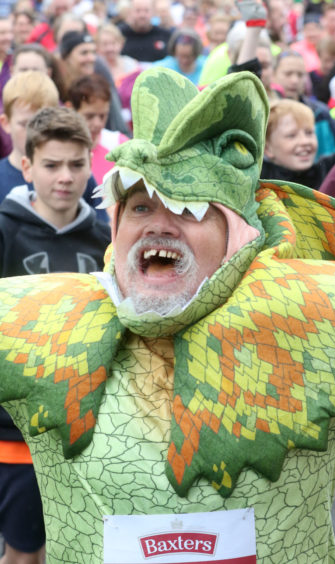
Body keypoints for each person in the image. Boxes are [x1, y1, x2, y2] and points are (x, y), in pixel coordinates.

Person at [0, 66, 335, 564]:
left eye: (189, 210)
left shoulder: (325, 316)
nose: (160, 226)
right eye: (139, 208)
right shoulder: (39, 317)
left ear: (236, 234)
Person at [0, 105, 111, 564]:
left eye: (76, 164)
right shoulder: (4, 232)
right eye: (51, 164)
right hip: (16, 437)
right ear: (26, 166)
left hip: (89, 433)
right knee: (25, 553)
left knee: (78, 552)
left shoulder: (107, 239)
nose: (65, 176)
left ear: (91, 164)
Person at [0, 71, 59, 202]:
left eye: (44, 122)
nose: (35, 132)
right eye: (25, 124)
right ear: (6, 123)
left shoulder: (72, 175)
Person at [66, 73, 128, 184]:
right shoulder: (59, 147)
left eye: (103, 116)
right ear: (71, 110)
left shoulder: (119, 145)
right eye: (89, 116)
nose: (98, 123)